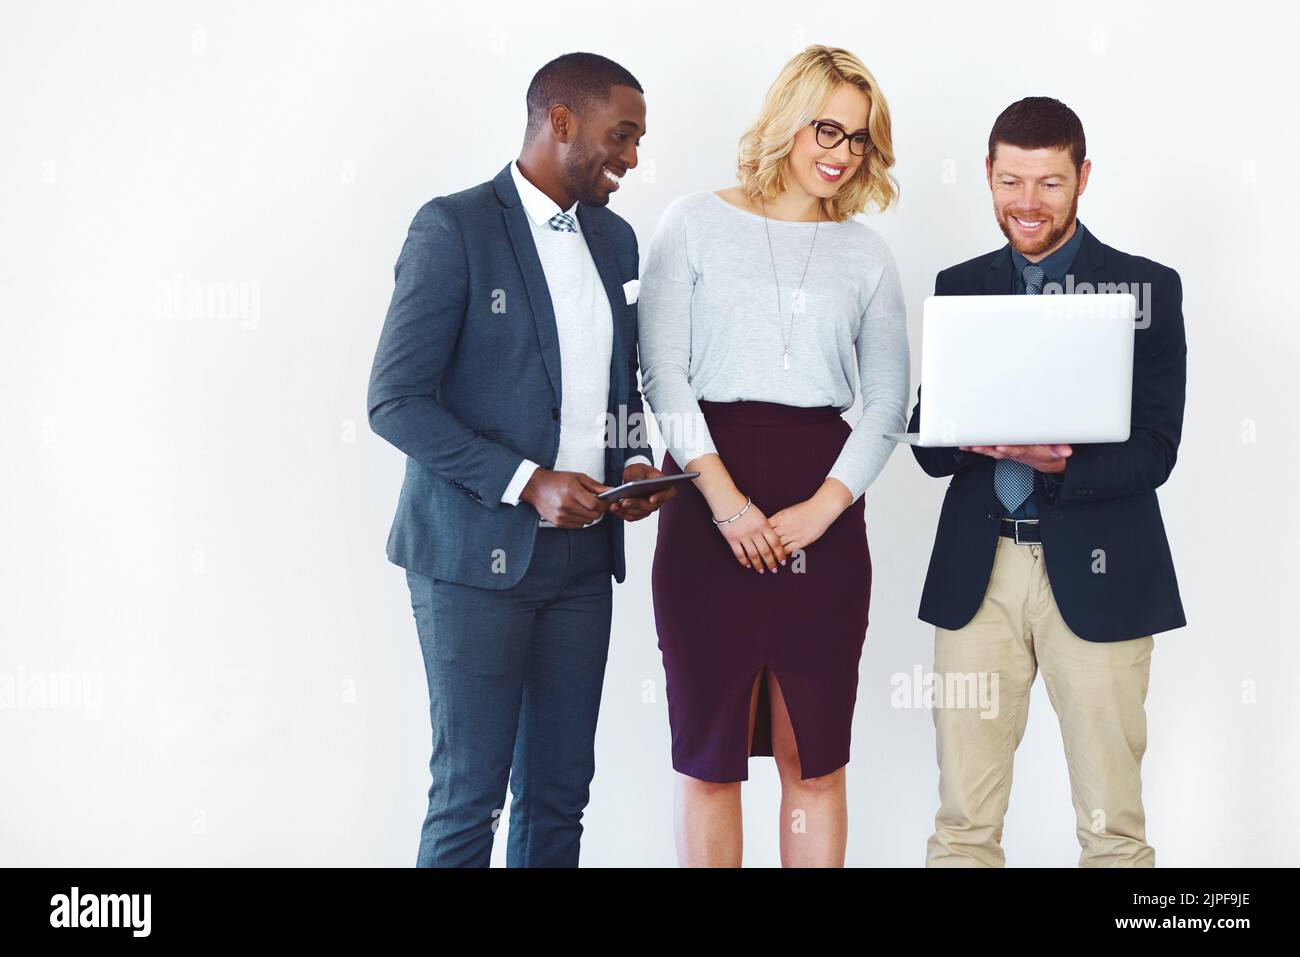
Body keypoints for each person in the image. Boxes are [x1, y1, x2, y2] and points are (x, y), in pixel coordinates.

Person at [367, 52, 674, 867]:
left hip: (580, 563)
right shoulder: (453, 227)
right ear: (561, 122)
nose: (634, 159)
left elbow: (621, 385)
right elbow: (395, 400)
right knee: (470, 790)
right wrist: (528, 482)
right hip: (472, 559)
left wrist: (636, 461)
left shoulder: (616, 240)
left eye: (640, 140)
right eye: (623, 136)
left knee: (559, 792)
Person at [638, 45, 909, 867]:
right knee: (708, 758)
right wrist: (725, 503)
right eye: (826, 127)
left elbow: (888, 404)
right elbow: (664, 373)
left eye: (858, 138)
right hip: (704, 497)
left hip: (822, 512)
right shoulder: (691, 221)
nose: (840, 151)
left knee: (813, 757)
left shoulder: (866, 255)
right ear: (786, 118)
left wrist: (824, 509)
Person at [910, 96, 1187, 867]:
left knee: (1113, 828)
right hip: (980, 572)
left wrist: (1062, 463)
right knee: (963, 821)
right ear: (988, 177)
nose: (1026, 203)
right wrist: (970, 434)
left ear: (1083, 177)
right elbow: (929, 449)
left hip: (1101, 573)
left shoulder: (1146, 289)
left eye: (1049, 183)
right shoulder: (959, 284)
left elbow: (1157, 451)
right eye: (1010, 182)